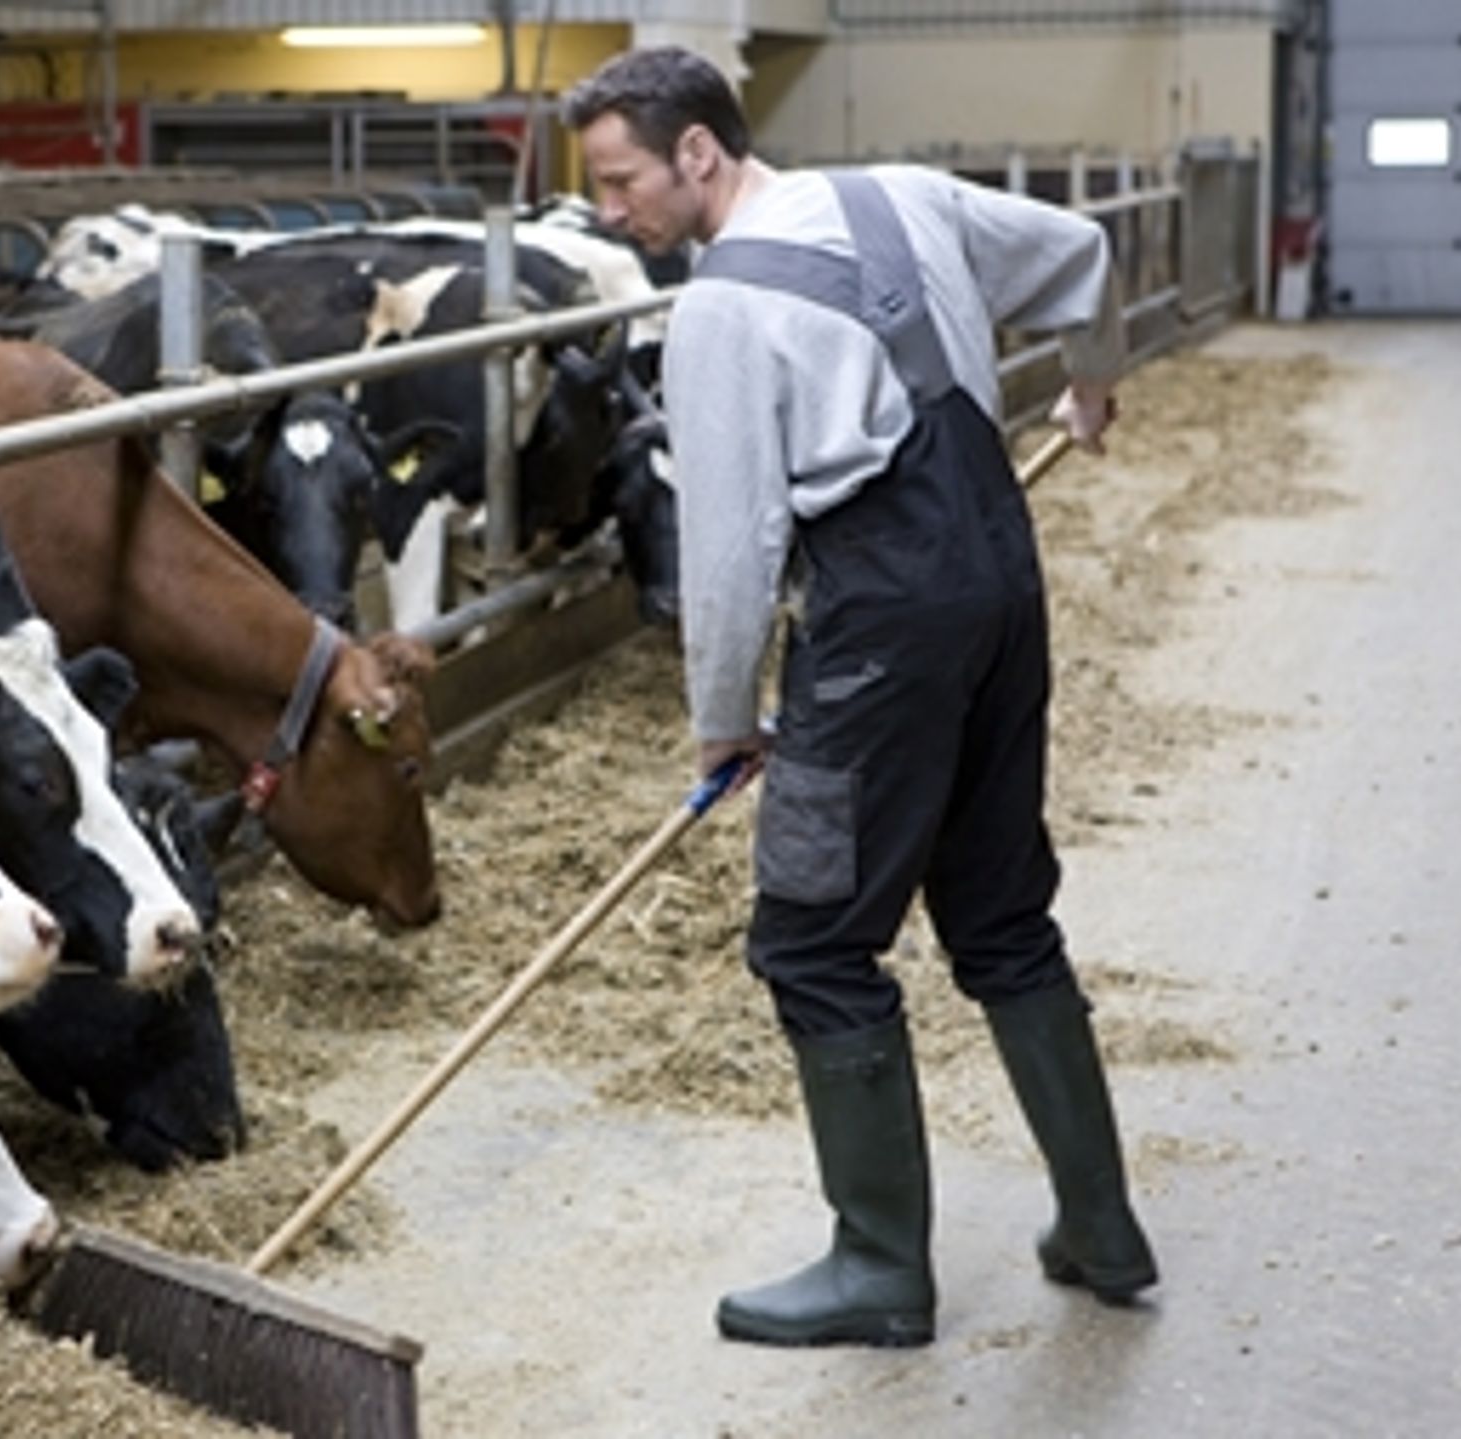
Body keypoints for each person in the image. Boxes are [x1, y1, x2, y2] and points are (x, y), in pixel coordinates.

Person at [561, 45, 1158, 1348]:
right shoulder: (903, 195)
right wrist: (1094, 379)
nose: (611, 212)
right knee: (1001, 916)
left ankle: (880, 1266)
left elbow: (728, 551)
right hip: (1001, 580)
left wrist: (725, 718)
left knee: (814, 943)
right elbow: (1082, 256)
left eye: (620, 182)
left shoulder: (716, 313)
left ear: (699, 154)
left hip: (882, 625)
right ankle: (1103, 1229)